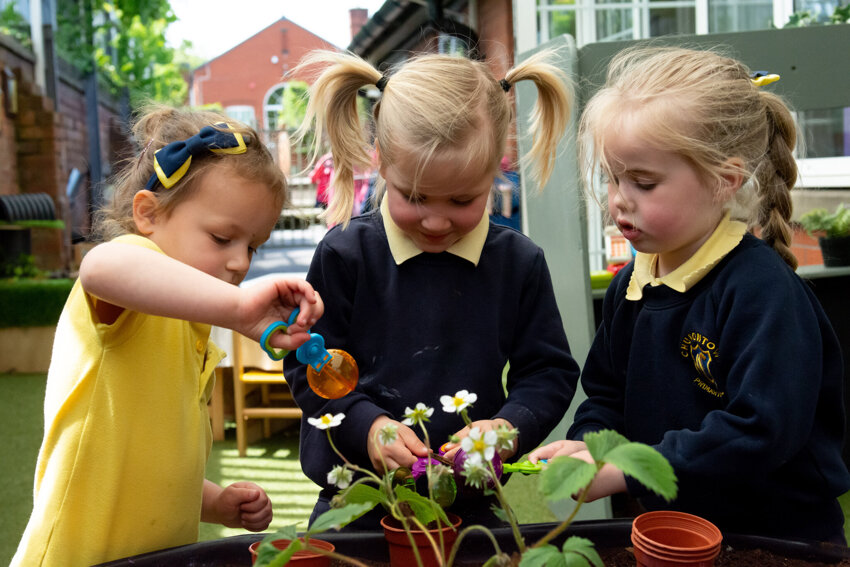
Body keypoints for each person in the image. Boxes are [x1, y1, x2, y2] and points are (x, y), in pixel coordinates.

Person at [529, 46, 850, 544]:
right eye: (612, 178)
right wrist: (589, 447)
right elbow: (607, 396)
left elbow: (760, 428)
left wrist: (632, 467)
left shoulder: (762, 292)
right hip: (673, 532)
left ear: (725, 180)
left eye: (643, 181)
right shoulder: (631, 286)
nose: (618, 199)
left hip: (776, 537)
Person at [12, 106, 324, 567]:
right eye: (222, 238)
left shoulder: (191, 326)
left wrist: (214, 502)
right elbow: (101, 267)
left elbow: (146, 462)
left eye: (252, 246)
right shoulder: (128, 288)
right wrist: (238, 308)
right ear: (148, 214)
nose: (240, 262)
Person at [285, 48, 580, 530]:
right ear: (381, 162)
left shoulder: (518, 263)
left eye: (463, 199)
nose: (437, 220)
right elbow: (309, 363)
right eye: (415, 197)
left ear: (495, 170)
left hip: (470, 505)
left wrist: (508, 426)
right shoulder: (345, 255)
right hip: (354, 500)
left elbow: (548, 372)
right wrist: (369, 425)